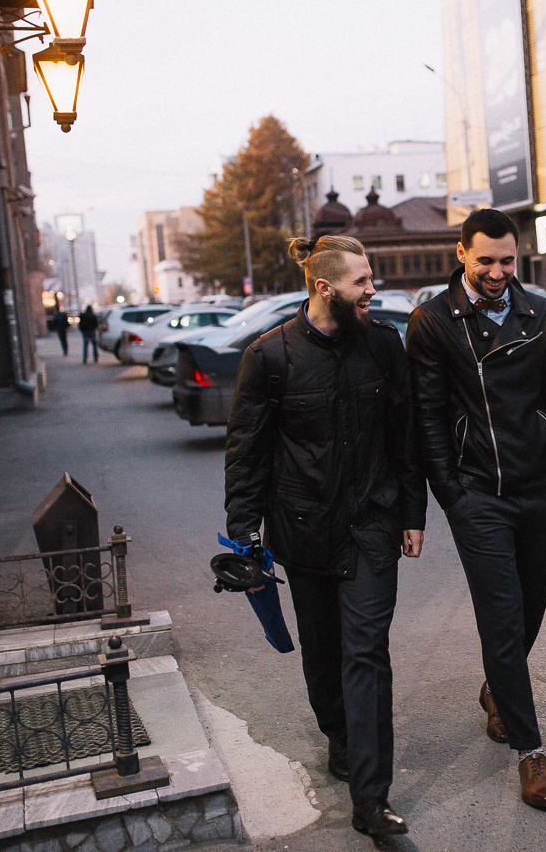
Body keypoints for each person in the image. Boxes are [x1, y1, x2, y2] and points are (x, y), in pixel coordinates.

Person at [224, 235, 426, 837]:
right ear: (324, 287)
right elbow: (247, 452)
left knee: (366, 652)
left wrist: (411, 514)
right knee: (322, 652)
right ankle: (338, 734)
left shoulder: (383, 345)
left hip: (371, 526)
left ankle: (371, 799)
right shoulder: (269, 357)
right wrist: (244, 534)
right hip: (304, 529)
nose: (372, 291)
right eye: (361, 282)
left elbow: (405, 434)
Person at [406, 208, 546, 809]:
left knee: (528, 611)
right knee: (502, 619)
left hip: (543, 488)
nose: (498, 271)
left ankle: (498, 691)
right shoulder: (433, 321)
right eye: (485, 260)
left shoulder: (540, 313)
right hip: (479, 494)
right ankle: (531, 752)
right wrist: (451, 494)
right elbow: (427, 415)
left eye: (508, 260)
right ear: (461, 254)